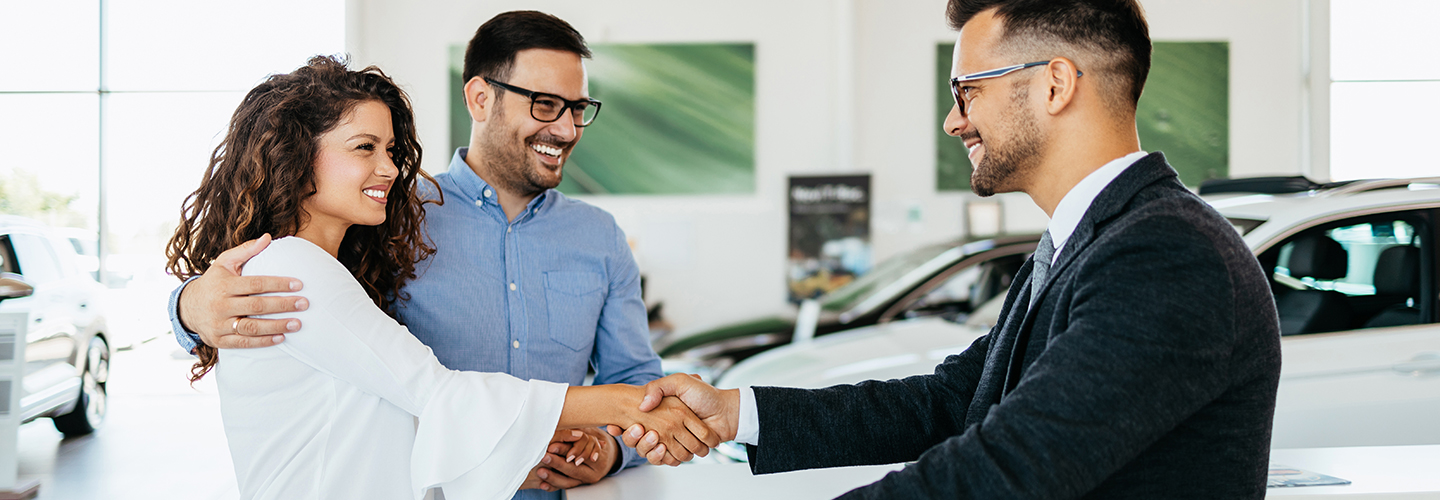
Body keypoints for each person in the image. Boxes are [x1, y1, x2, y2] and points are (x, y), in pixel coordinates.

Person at [613, 0, 1283, 498]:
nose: (953, 120)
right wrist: (737, 412)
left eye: (968, 90)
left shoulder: (1168, 254)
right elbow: (952, 400)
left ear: (1054, 84)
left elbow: (1016, 465)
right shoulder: (1084, 239)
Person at [165, 12, 677, 495]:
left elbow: (380, 410)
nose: (566, 129)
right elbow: (436, 393)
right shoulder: (391, 221)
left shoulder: (598, 237)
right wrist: (189, 307)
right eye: (545, 104)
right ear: (480, 99)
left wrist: (610, 448)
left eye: (578, 109)